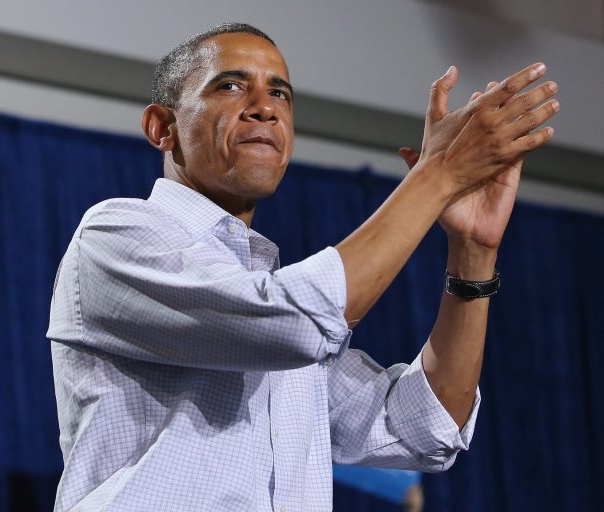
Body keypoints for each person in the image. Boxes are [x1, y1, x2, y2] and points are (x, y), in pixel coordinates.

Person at [48, 22, 558, 511]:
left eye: (281, 94)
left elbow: (424, 428)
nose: (265, 108)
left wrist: (473, 250)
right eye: (230, 86)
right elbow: (288, 324)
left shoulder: (272, 301)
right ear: (162, 128)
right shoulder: (115, 235)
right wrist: (438, 176)